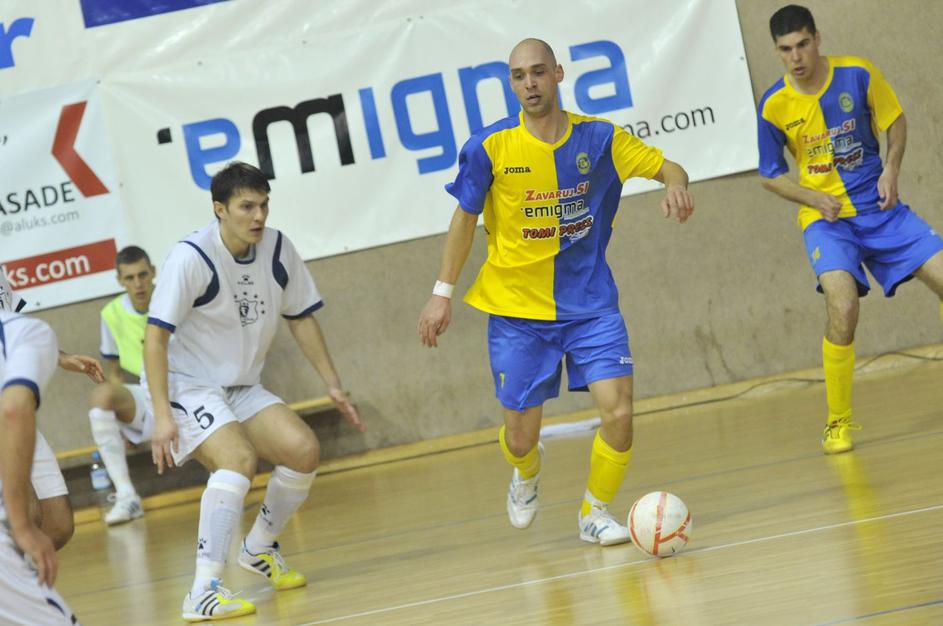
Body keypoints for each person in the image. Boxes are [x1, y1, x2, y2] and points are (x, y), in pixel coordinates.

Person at [417, 38, 694, 545]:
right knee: (521, 437)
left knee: (620, 410)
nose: (530, 84)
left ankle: (594, 511)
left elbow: (668, 167)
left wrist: (675, 185)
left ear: (559, 74)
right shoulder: (489, 147)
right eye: (519, 76)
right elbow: (464, 218)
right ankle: (525, 472)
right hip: (517, 311)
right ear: (511, 83)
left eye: (539, 72)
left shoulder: (600, 138)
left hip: (590, 305)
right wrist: (442, 292)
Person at [144, 161, 364, 620]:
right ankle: (202, 591)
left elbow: (301, 317)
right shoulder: (192, 257)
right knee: (237, 461)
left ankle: (258, 547)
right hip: (187, 383)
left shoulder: (278, 248)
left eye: (264, 205)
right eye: (247, 206)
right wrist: (163, 415)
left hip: (241, 384)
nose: (258, 215)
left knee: (303, 450)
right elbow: (155, 338)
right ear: (219, 209)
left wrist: (333, 384)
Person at [757, 5, 943, 454]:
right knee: (842, 306)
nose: (796, 57)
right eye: (785, 49)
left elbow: (895, 121)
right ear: (777, 52)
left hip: (882, 211)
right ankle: (837, 421)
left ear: (817, 39)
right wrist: (812, 198)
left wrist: (892, 169)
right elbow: (769, 174)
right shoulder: (773, 104)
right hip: (827, 222)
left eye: (803, 44)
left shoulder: (858, 73)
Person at [0, 270, 104, 550]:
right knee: (26, 518)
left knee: (58, 524)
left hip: (16, 412)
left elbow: (14, 332)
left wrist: (63, 358)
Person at [0, 310, 81, 625]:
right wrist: (21, 527)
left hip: (18, 423)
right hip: (11, 420)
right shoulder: (30, 332)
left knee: (58, 523)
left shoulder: (20, 325)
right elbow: (14, 409)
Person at [87, 246, 157, 524]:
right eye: (129, 278)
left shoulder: (173, 299)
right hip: (148, 394)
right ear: (120, 280)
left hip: (188, 391)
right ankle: (127, 496)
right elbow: (114, 372)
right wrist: (120, 422)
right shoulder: (111, 313)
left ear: (153, 273)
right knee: (102, 396)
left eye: (143, 275)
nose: (138, 284)